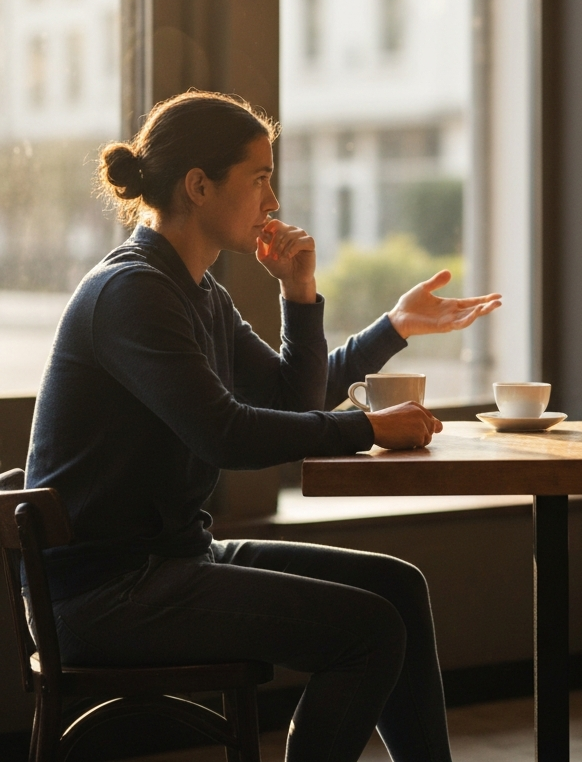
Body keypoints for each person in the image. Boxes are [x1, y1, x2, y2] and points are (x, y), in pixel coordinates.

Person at [26, 90, 501, 762]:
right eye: (259, 179)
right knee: (369, 631)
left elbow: (288, 400)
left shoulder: (195, 291)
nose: (272, 202)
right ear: (198, 186)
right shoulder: (131, 292)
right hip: (110, 594)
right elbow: (228, 434)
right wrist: (366, 431)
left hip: (170, 563)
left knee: (397, 588)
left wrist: (308, 297)